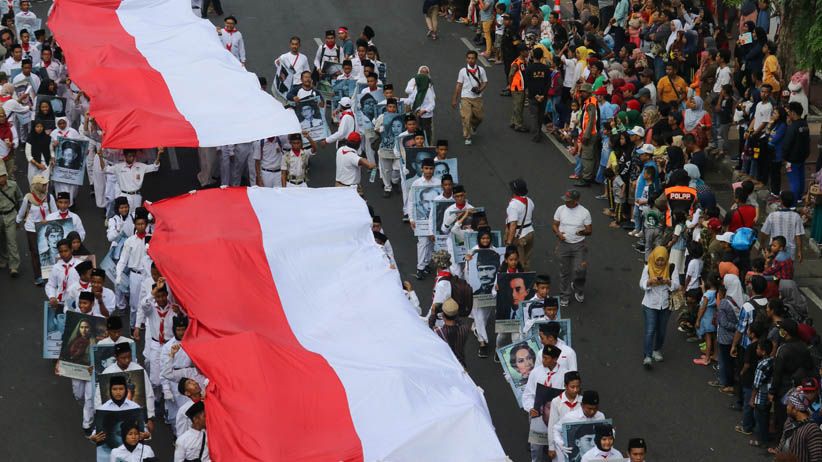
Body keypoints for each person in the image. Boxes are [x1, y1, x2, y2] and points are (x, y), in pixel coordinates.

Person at [88, 375, 147, 462]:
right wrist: (93, 438)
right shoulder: (103, 408)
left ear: (126, 390)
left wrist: (146, 434)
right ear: (110, 391)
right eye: (115, 389)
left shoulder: (135, 407)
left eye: (121, 389)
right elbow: (97, 430)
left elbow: (142, 429)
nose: (118, 392)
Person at [640, 246, 680, 368]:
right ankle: (647, 356)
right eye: (658, 260)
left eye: (663, 260)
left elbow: (677, 285)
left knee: (661, 330)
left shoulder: (671, 268)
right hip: (650, 304)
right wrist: (649, 282)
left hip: (665, 305)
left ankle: (656, 350)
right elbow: (641, 284)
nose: (660, 263)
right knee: (650, 330)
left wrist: (668, 282)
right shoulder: (648, 268)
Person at [553, 189, 592, 307]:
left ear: (576, 200)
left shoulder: (584, 212)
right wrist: (558, 234)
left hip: (579, 245)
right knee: (564, 272)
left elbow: (589, 230)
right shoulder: (560, 209)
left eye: (569, 200)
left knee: (580, 270)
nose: (566, 202)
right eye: (565, 199)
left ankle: (578, 287)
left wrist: (581, 232)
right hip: (563, 244)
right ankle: (565, 295)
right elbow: (555, 225)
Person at [115, 215, 151, 327]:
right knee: (134, 304)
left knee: (147, 301)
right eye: (138, 224)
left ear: (146, 225)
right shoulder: (130, 241)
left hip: (148, 274)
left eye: (143, 224)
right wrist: (118, 274)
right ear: (135, 225)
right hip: (135, 275)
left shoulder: (151, 239)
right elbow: (123, 260)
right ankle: (132, 325)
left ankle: (143, 323)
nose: (141, 226)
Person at [101, 149, 161, 213]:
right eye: (130, 156)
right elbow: (104, 169)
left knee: (136, 214)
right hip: (124, 195)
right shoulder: (118, 167)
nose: (132, 158)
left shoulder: (141, 166)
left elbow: (155, 167)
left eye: (133, 156)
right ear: (125, 156)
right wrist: (100, 157)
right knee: (125, 215)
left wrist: (159, 154)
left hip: (137, 196)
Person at [552, 390, 606, 462]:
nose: (592, 411)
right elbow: (555, 429)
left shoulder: (600, 416)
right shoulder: (570, 417)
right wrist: (560, 443)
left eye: (595, 408)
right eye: (589, 408)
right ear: (582, 405)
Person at [410, 157, 441, 279]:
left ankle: (426, 263)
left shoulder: (438, 183)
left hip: (435, 219)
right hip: (421, 219)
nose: (428, 171)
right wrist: (411, 218)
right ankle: (420, 268)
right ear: (422, 169)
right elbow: (411, 201)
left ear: (434, 169)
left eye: (431, 168)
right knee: (423, 243)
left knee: (431, 242)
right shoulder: (416, 183)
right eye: (426, 168)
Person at [451, 50, 487, 145]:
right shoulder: (462, 71)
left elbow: (485, 82)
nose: (470, 60)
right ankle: (467, 136)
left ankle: (473, 126)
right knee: (466, 117)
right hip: (465, 97)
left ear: (476, 59)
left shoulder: (481, 70)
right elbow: (459, 85)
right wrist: (454, 99)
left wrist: (480, 89)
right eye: (469, 58)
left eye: (472, 58)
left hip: (477, 97)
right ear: (466, 59)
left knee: (479, 117)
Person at [547, 371, 583, 461]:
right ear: (565, 386)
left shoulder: (583, 401)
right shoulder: (556, 402)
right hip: (561, 443)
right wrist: (551, 447)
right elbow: (552, 425)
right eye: (572, 387)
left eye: (578, 387)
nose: (575, 390)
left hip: (579, 442)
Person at [761, 190, 804, 262]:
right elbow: (798, 236)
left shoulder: (772, 215)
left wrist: (762, 245)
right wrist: (800, 251)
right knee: (787, 268)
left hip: (774, 250)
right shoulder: (796, 216)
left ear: (781, 201)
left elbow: (764, 232)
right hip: (790, 251)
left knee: (773, 267)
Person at [505, 178, 535, 270]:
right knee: (526, 261)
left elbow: (513, 225)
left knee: (518, 263)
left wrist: (509, 242)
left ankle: (521, 277)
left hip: (519, 236)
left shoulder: (513, 205)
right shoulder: (529, 200)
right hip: (530, 232)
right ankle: (527, 275)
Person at [782, 102, 810, 198]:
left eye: (789, 112)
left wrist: (784, 157)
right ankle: (799, 198)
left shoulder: (792, 127)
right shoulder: (804, 124)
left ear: (793, 113)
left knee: (793, 180)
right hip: (802, 156)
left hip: (792, 158)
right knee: (801, 177)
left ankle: (793, 201)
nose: (788, 114)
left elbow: (787, 144)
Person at [432, 298, 469, 367]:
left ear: (443, 315)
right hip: (461, 362)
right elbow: (459, 321)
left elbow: (430, 327)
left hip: (448, 363)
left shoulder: (438, 332)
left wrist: (433, 313)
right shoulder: (465, 328)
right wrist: (453, 311)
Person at [0, 162, 21, 277]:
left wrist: (20, 216)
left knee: (12, 241)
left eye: (3, 176)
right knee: (2, 240)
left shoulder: (13, 185)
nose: (1, 179)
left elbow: (20, 198)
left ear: (6, 175)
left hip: (11, 215)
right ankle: (4, 258)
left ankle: (14, 266)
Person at [576, 83, 599, 186]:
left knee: (587, 157)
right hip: (591, 133)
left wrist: (586, 135)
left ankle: (586, 179)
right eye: (581, 91)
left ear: (589, 92)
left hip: (590, 134)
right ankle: (590, 176)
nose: (581, 93)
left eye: (584, 92)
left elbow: (591, 120)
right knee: (591, 156)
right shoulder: (589, 101)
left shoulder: (590, 103)